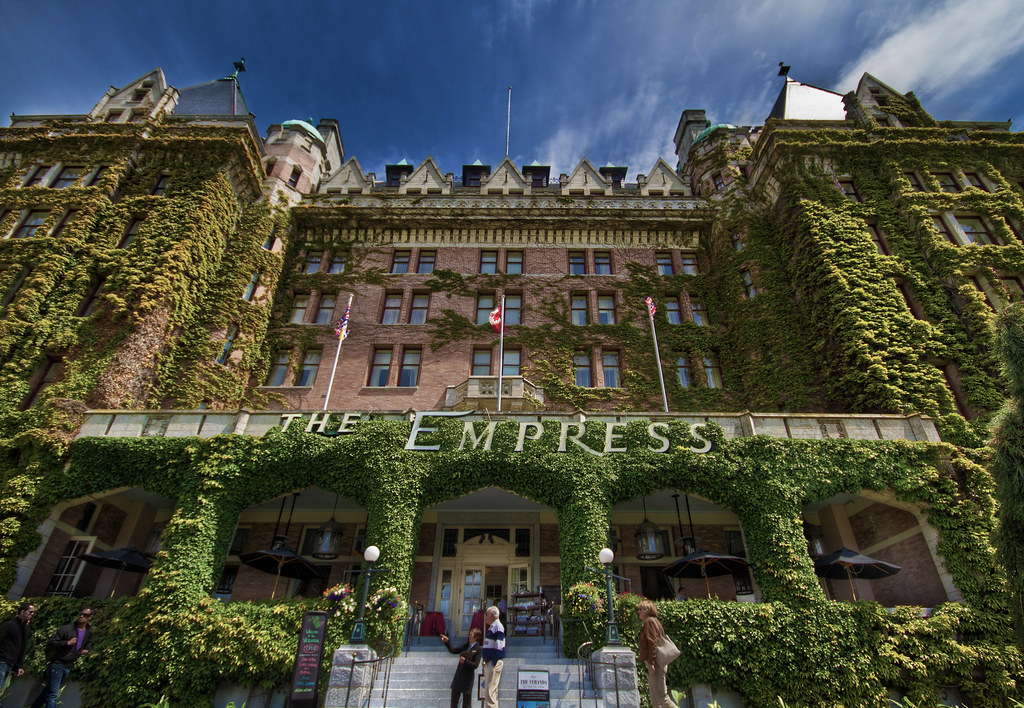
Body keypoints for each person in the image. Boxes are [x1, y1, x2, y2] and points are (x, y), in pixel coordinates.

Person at [29, 607, 94, 708]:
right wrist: (67, 643)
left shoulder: (88, 632)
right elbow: (52, 642)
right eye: (81, 614)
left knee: (47, 692)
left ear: (90, 618)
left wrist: (86, 650)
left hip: (68, 666)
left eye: (85, 615)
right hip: (57, 664)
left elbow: (87, 644)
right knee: (53, 694)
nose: (81, 616)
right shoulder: (67, 629)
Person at [637, 599, 678, 708]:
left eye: (641, 609)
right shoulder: (654, 621)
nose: (638, 612)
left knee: (661, 698)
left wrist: (651, 663)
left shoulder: (649, 621)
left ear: (647, 610)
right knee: (655, 699)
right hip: (656, 663)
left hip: (656, 664)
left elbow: (652, 642)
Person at [438, 628, 482, 708]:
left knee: (466, 703)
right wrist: (447, 642)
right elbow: (453, 650)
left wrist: (465, 661)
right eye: (469, 634)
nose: (469, 636)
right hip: (459, 675)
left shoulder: (478, 649)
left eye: (471, 635)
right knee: (454, 700)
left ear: (476, 637)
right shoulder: (466, 646)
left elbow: (475, 664)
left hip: (467, 678)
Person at [0, 602, 35, 691]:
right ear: (22, 612)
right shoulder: (9, 625)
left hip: (10, 664)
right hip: (2, 661)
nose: (32, 614)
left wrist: (20, 665)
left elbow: (23, 647)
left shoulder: (25, 629)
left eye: (33, 613)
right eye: (30, 612)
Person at [481, 605, 505, 708]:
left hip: (493, 662)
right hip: (490, 661)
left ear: (492, 615)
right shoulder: (493, 626)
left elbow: (499, 646)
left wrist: (493, 662)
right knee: (491, 691)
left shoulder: (497, 627)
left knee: (490, 692)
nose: (485, 617)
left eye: (487, 614)